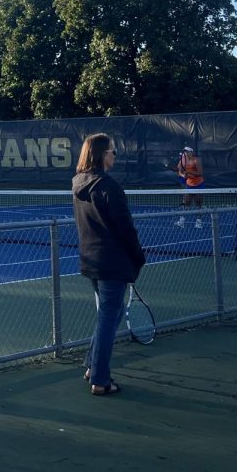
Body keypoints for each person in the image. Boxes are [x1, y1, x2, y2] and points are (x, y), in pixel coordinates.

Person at [72, 133, 146, 396]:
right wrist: (138, 256)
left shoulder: (78, 183)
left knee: (110, 315)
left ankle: (93, 366)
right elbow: (125, 228)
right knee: (107, 318)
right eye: (113, 151)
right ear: (103, 155)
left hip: (91, 260)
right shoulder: (109, 187)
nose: (115, 155)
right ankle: (101, 380)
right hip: (112, 262)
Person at [174, 146, 205, 229]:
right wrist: (183, 175)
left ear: (191, 152)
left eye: (187, 152)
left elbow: (200, 172)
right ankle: (181, 222)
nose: (186, 153)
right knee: (186, 203)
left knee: (198, 204)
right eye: (185, 152)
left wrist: (189, 172)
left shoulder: (196, 160)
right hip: (189, 185)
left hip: (199, 185)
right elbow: (179, 171)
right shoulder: (183, 161)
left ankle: (198, 223)